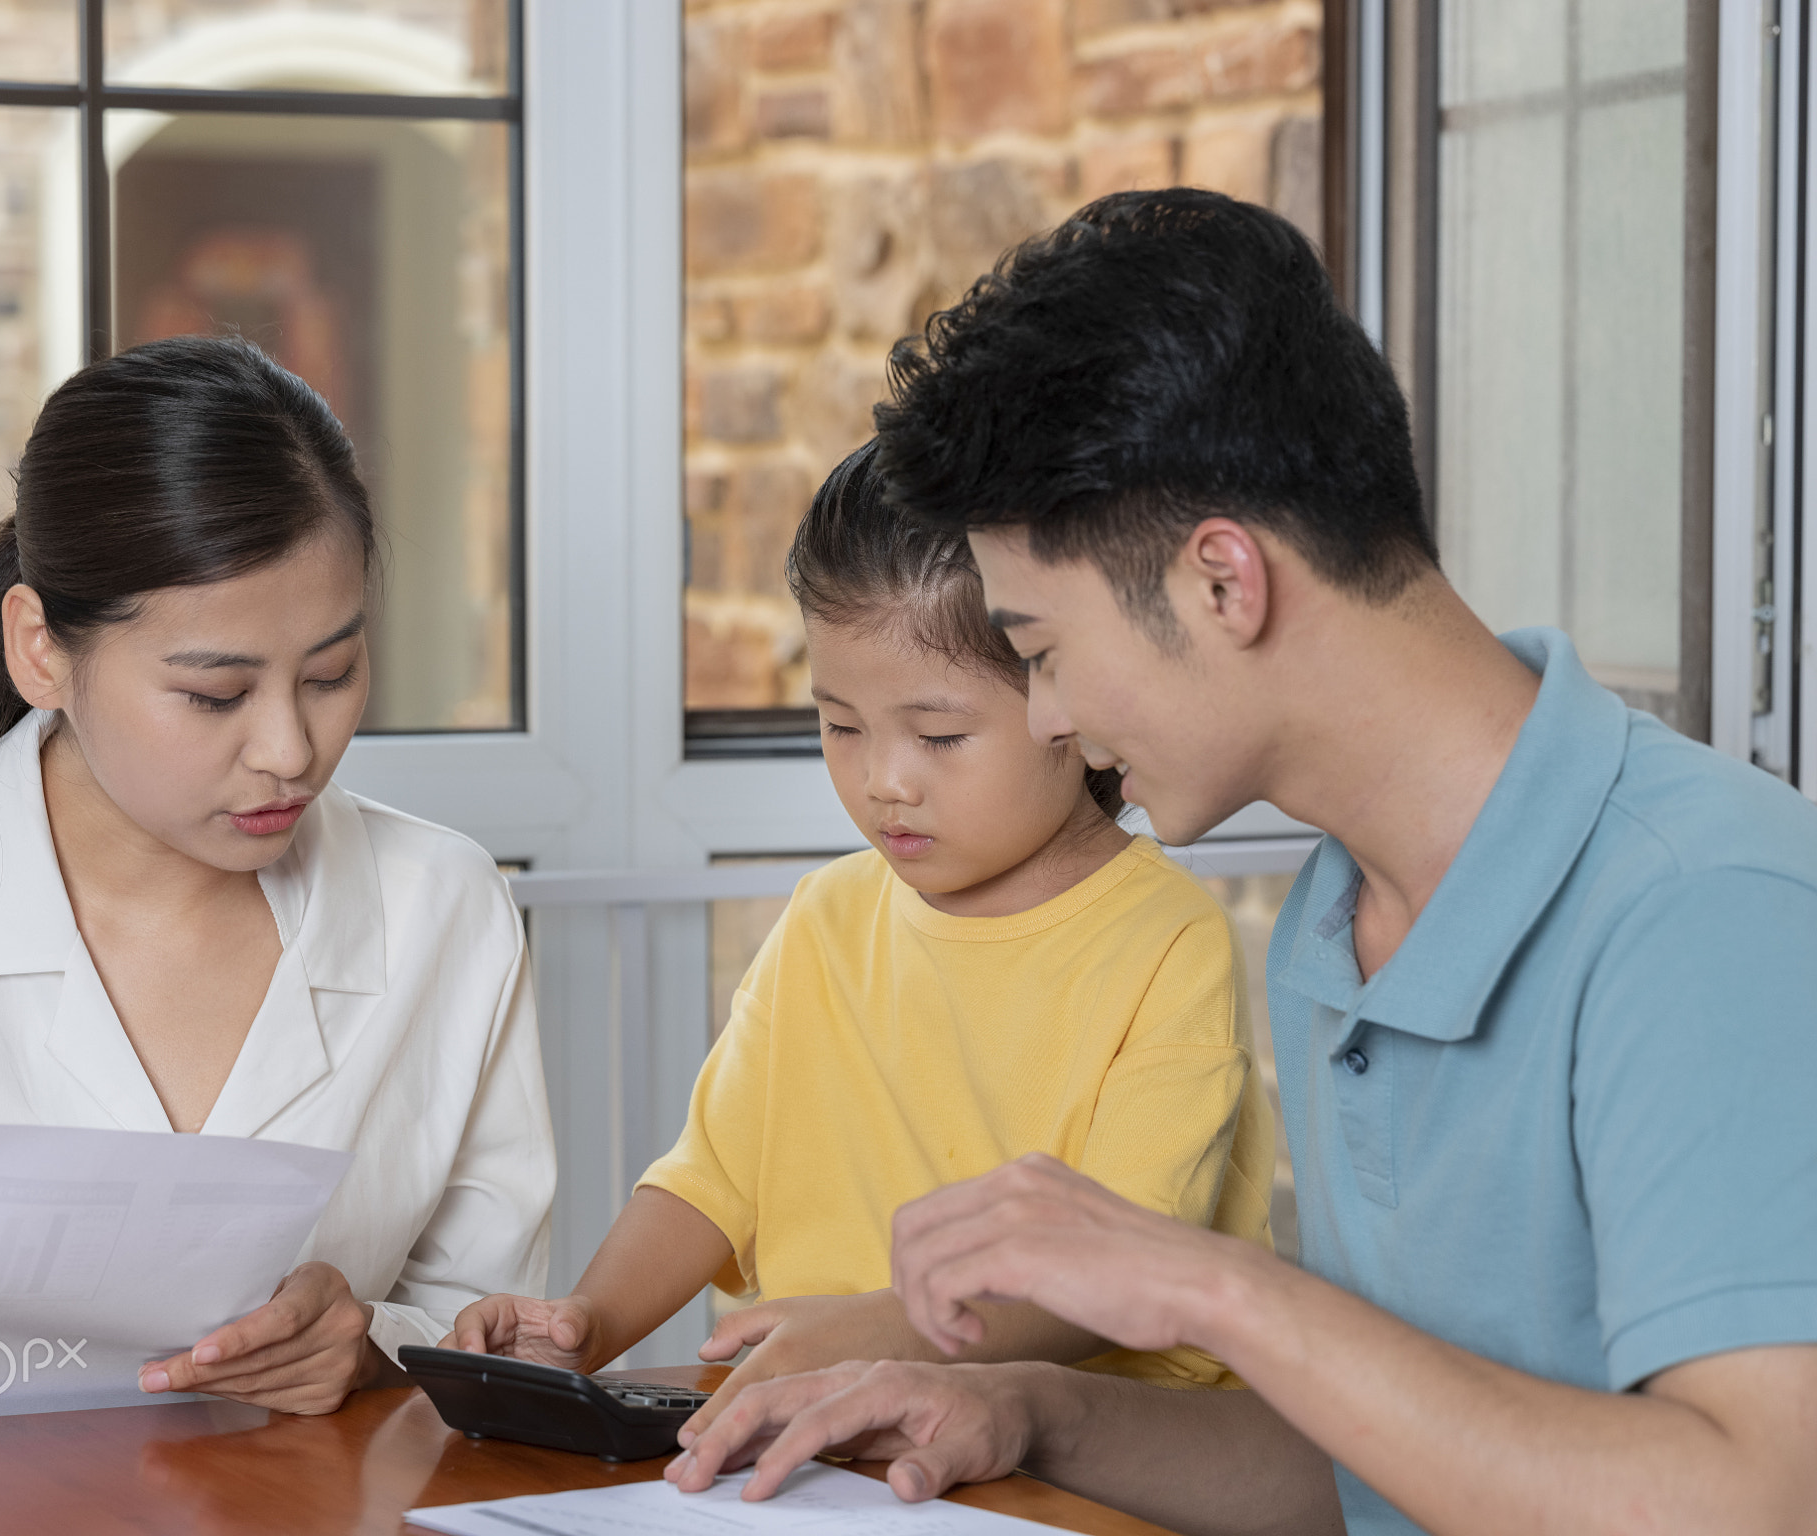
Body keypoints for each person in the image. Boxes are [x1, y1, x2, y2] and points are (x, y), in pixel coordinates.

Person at [669, 189, 1817, 1535]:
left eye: (1040, 649)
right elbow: (1375, 1471)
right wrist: (1031, 1411)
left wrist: (1211, 1288)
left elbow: (1762, 1495)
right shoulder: (1346, 920)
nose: (1047, 718)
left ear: (1225, 581)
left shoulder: (1707, 906)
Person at [0, 337, 553, 1432]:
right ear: (41, 650)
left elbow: (492, 1327)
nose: (289, 748)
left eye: (329, 674)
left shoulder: (443, 905)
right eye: (215, 694)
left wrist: (372, 1343)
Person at [449, 439, 1274, 1426]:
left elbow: (1116, 1269)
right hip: (818, 1439)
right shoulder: (826, 920)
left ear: (1068, 695)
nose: (883, 778)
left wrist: (879, 1334)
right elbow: (708, 1182)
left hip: (1075, 1454)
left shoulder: (1165, 945)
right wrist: (585, 1320)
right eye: (840, 727)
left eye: (936, 736)